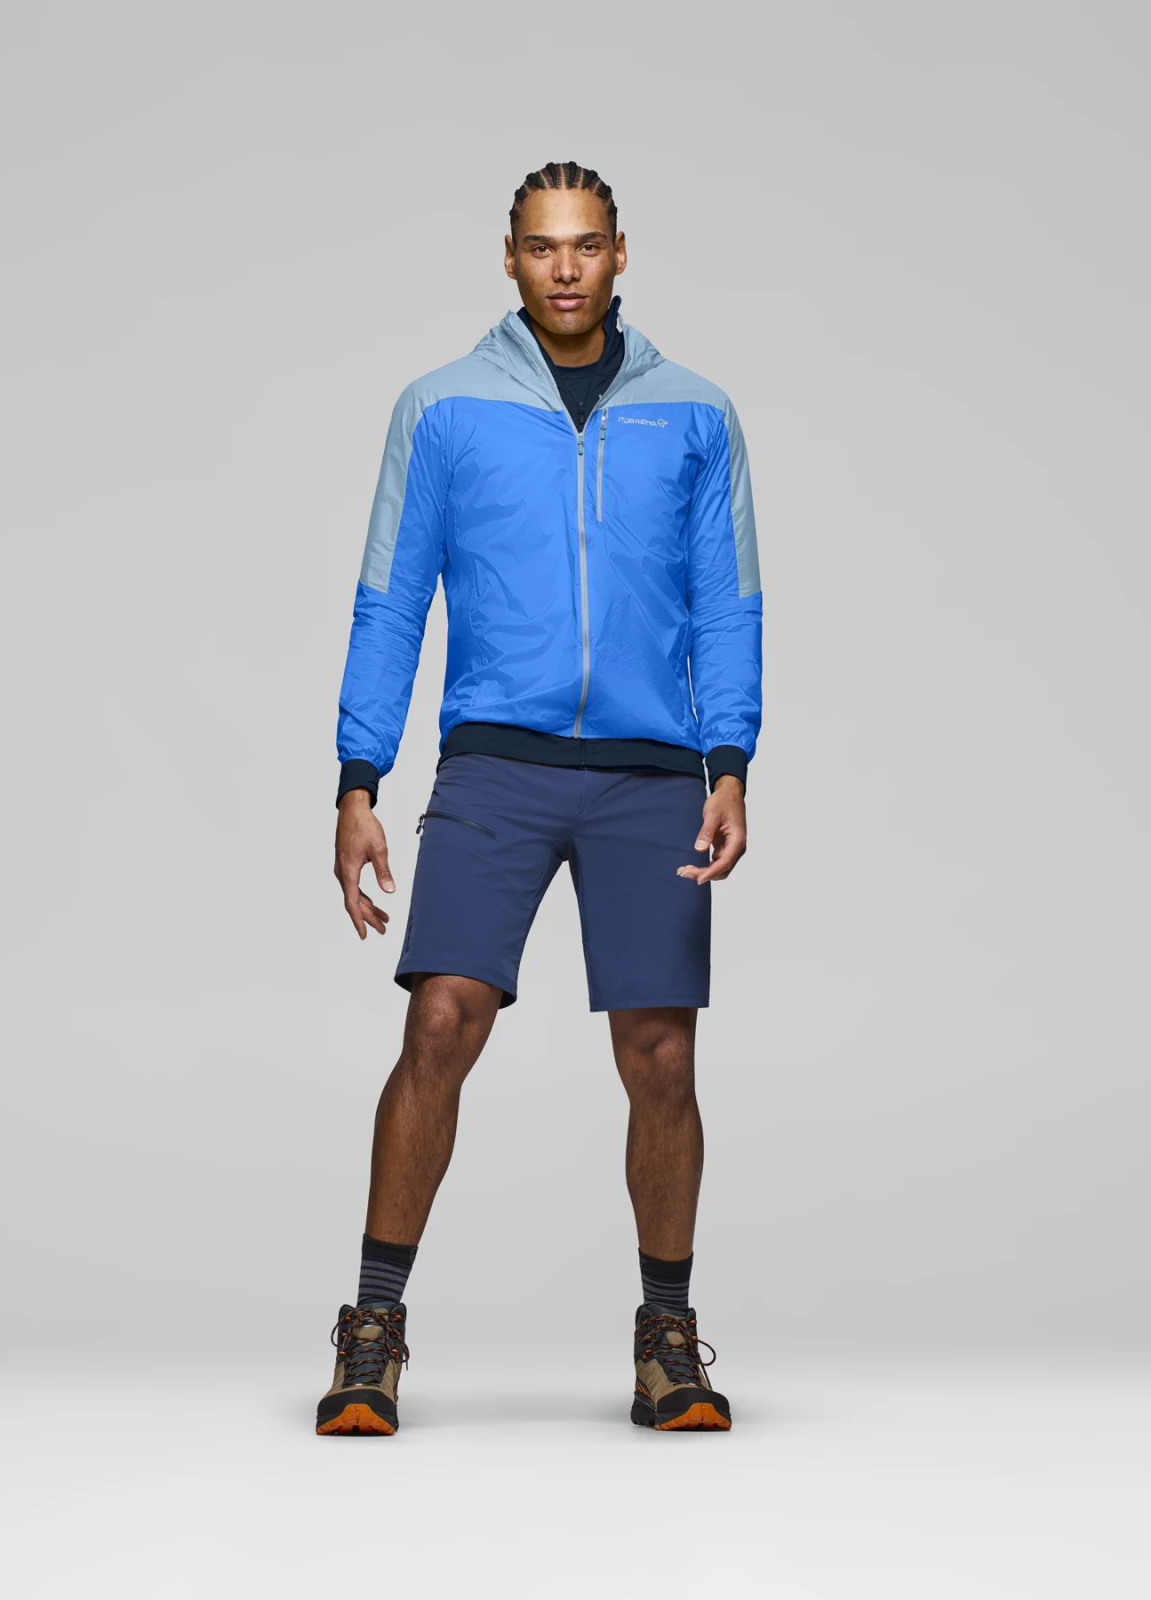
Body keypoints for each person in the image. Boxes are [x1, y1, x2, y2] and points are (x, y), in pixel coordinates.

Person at [316, 161, 763, 1436]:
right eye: (541, 246)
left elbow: (728, 601)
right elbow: (389, 597)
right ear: (508, 257)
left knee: (661, 1053)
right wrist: (359, 779)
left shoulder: (696, 414)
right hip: (497, 763)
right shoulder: (442, 408)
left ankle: (665, 1340)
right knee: (440, 1021)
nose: (564, 268)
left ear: (621, 253)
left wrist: (729, 763)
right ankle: (371, 1331)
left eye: (586, 245)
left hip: (650, 770)